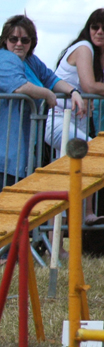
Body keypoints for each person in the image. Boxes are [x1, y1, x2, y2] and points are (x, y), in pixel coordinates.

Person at [0, 15, 85, 209]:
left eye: (25, 40)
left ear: (32, 42)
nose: (19, 44)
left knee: (10, 208)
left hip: (17, 150)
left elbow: (50, 78)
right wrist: (47, 95)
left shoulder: (30, 60)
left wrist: (73, 92)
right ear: (5, 40)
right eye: (14, 39)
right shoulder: (3, 60)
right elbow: (20, 87)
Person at [45, 8, 104, 226]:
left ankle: (61, 241)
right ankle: (86, 214)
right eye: (95, 27)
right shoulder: (84, 48)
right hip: (59, 120)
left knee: (64, 179)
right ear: (88, 29)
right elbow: (89, 85)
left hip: (75, 121)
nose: (99, 32)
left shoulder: (96, 54)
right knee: (93, 154)